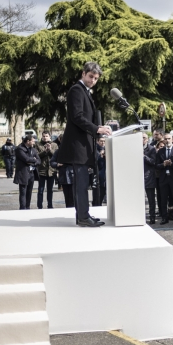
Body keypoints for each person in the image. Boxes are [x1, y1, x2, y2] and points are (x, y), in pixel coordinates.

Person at [56, 62, 112, 227]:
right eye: (90, 77)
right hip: (77, 146)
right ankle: (82, 217)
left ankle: (84, 214)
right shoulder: (76, 90)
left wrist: (98, 131)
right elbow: (77, 117)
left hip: (83, 145)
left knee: (83, 182)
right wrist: (97, 128)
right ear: (83, 74)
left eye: (95, 78)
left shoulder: (85, 92)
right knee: (80, 183)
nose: (93, 80)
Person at [157, 132, 173, 225]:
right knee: (163, 199)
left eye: (169, 139)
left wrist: (172, 164)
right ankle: (164, 217)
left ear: (172, 139)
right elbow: (156, 165)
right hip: (163, 178)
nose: (167, 141)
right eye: (166, 139)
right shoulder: (160, 151)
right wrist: (163, 164)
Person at [14, 135, 40, 210]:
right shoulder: (20, 149)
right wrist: (33, 159)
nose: (34, 142)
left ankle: (28, 207)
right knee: (23, 192)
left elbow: (39, 160)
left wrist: (34, 161)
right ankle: (23, 208)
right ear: (28, 141)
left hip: (31, 173)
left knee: (29, 191)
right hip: (23, 173)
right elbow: (26, 159)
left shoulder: (33, 150)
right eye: (33, 140)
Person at [36, 131, 58, 209]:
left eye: (47, 136)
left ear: (50, 137)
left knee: (50, 190)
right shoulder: (38, 145)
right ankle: (39, 206)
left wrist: (50, 150)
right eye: (44, 136)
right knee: (41, 190)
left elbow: (56, 155)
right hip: (42, 170)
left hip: (51, 171)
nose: (45, 138)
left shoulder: (54, 145)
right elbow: (37, 155)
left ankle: (50, 205)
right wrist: (45, 151)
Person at [143, 133, 157, 224]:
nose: (142, 139)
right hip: (137, 177)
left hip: (149, 177)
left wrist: (144, 156)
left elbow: (153, 162)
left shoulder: (151, 149)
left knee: (151, 199)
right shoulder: (134, 148)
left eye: (144, 138)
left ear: (147, 139)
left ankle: (152, 217)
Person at [92, 137, 107, 207]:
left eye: (104, 141)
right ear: (98, 141)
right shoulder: (95, 150)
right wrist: (100, 156)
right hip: (97, 176)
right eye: (101, 141)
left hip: (105, 177)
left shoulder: (107, 149)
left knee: (103, 194)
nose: (103, 143)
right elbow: (95, 162)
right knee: (97, 196)